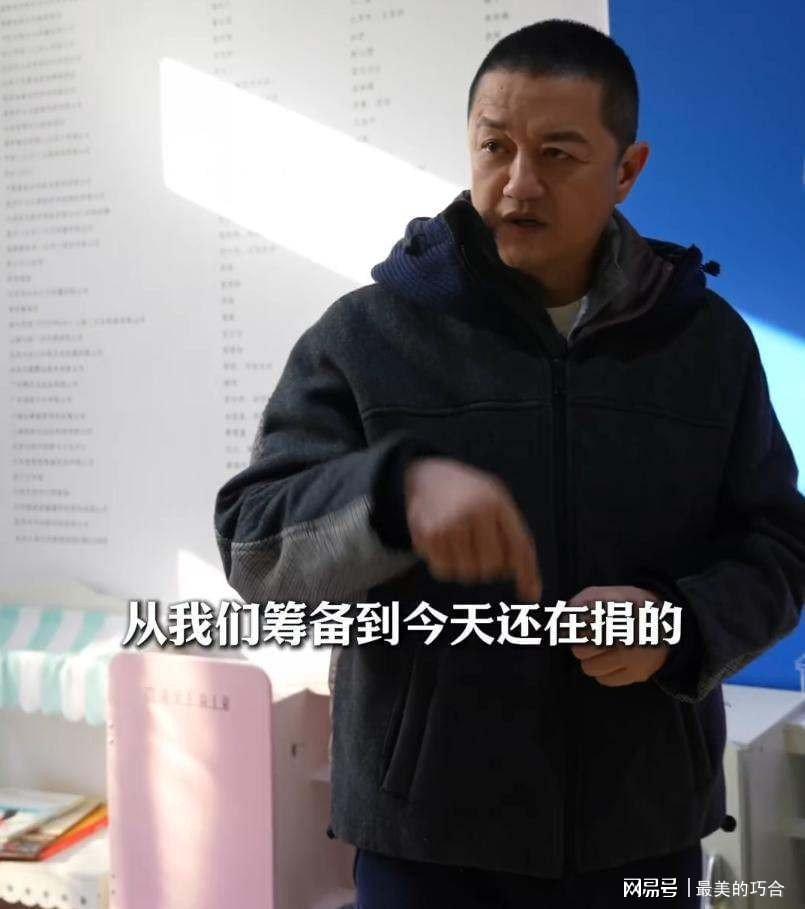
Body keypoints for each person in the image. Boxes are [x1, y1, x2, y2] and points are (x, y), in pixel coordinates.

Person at [213, 19, 805, 908]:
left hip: (640, 832)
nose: (518, 184)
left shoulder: (704, 345)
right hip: (426, 843)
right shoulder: (367, 337)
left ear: (626, 169)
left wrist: (678, 623)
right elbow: (255, 549)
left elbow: (779, 546)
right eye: (495, 147)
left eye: (558, 154)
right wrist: (390, 497)